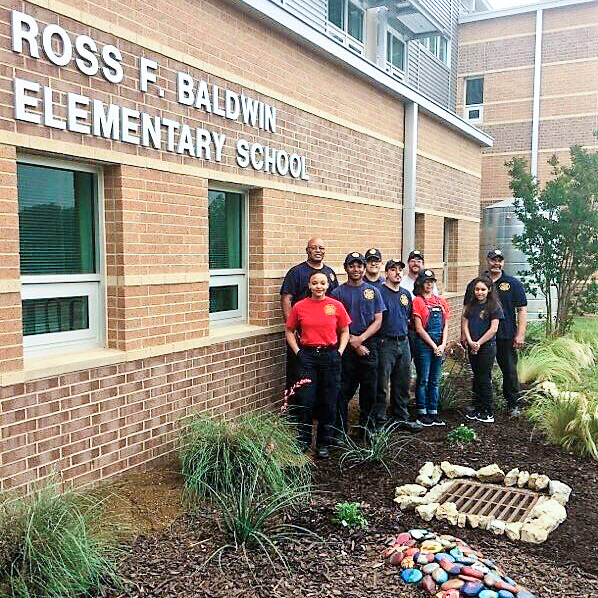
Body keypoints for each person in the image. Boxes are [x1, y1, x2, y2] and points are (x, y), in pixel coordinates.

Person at [285, 271, 351, 458]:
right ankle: (304, 440)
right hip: (307, 356)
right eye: (315, 283)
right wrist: (298, 351)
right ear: (309, 285)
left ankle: (324, 443)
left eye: (322, 283)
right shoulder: (299, 307)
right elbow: (289, 331)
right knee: (306, 400)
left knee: (328, 401)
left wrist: (340, 351)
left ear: (328, 285)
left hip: (330, 356)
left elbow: (345, 330)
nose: (319, 286)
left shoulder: (336, 306)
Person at [463, 249, 527, 416]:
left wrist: (520, 334)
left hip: (505, 335)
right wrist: (465, 335)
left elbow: (521, 310)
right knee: (480, 372)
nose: (496, 263)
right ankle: (478, 403)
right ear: (487, 261)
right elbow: (466, 310)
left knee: (509, 370)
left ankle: (513, 403)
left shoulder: (513, 283)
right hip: (480, 338)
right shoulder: (475, 284)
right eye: (493, 260)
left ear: (503, 262)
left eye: (499, 260)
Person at [332, 252, 385, 434]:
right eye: (352, 266)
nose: (356, 269)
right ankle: (340, 431)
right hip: (345, 347)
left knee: (369, 390)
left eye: (359, 266)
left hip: (369, 346)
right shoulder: (337, 293)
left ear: (364, 268)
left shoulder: (374, 291)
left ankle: (366, 428)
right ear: (346, 268)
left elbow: (378, 320)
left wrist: (360, 340)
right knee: (343, 390)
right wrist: (352, 343)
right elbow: (334, 323)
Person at [280, 237, 339, 387]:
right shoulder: (296, 272)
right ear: (307, 250)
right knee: (298, 374)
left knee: (324, 379)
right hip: (301, 332)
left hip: (324, 335)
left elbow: (335, 301)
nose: (318, 251)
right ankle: (296, 408)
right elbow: (286, 299)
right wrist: (291, 328)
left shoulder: (330, 273)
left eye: (321, 248)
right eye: (314, 248)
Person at [376, 259, 422, 432]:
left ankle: (400, 419)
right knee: (381, 384)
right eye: (393, 269)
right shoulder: (378, 292)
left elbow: (408, 317)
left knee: (402, 383)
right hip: (384, 343)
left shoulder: (405, 294)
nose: (397, 273)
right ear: (386, 272)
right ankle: (379, 422)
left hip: (403, 342)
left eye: (400, 270)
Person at [461, 275, 504, 423]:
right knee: (476, 376)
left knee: (484, 377)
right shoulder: (471, 305)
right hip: (473, 345)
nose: (479, 292)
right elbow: (465, 323)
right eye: (477, 289)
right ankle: (476, 407)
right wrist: (470, 341)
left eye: (483, 289)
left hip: (487, 347)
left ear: (489, 290)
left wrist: (478, 343)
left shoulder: (494, 306)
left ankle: (487, 410)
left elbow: (493, 329)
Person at [412, 269, 451, 426]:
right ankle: (422, 412)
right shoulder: (418, 301)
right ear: (420, 283)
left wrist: (442, 345)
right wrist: (434, 345)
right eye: (426, 281)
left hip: (438, 346)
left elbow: (446, 324)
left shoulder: (440, 301)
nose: (429, 284)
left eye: (431, 281)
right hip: (424, 345)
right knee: (423, 379)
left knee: (435, 380)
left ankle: (433, 411)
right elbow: (419, 328)